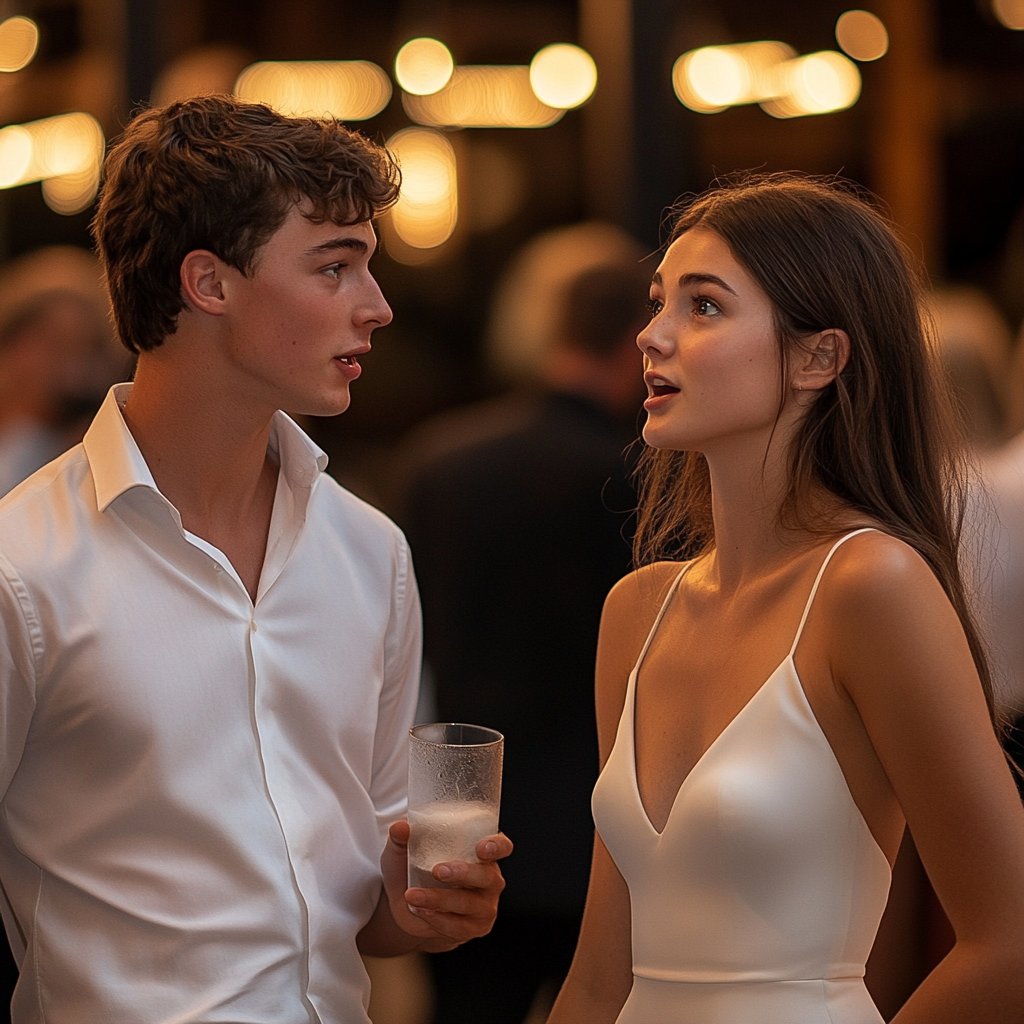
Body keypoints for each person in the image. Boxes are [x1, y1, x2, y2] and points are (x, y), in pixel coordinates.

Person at [0, 94, 511, 1024]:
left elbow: (367, 904)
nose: (378, 306)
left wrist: (425, 908)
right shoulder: (22, 568)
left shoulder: (369, 550)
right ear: (209, 282)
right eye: (335, 266)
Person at [547, 171, 1024, 1024]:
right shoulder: (638, 610)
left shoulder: (869, 585)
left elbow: (1010, 940)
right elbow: (598, 978)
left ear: (818, 357)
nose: (651, 335)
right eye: (658, 304)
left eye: (703, 305)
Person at [393, 246, 650, 1024]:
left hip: (460, 824)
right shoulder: (638, 479)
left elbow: (406, 652)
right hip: (595, 830)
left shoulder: (440, 461)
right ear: (634, 344)